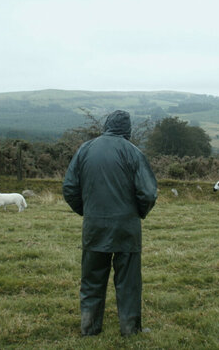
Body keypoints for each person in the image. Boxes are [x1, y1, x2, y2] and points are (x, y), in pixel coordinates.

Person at [62, 110, 158, 337]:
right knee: (128, 282)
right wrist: (137, 214)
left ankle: (89, 328)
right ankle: (130, 330)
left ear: (106, 125)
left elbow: (69, 188)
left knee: (92, 280)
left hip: (94, 227)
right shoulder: (134, 153)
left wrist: (88, 212)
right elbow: (148, 193)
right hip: (127, 228)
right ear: (128, 130)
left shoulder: (85, 149)